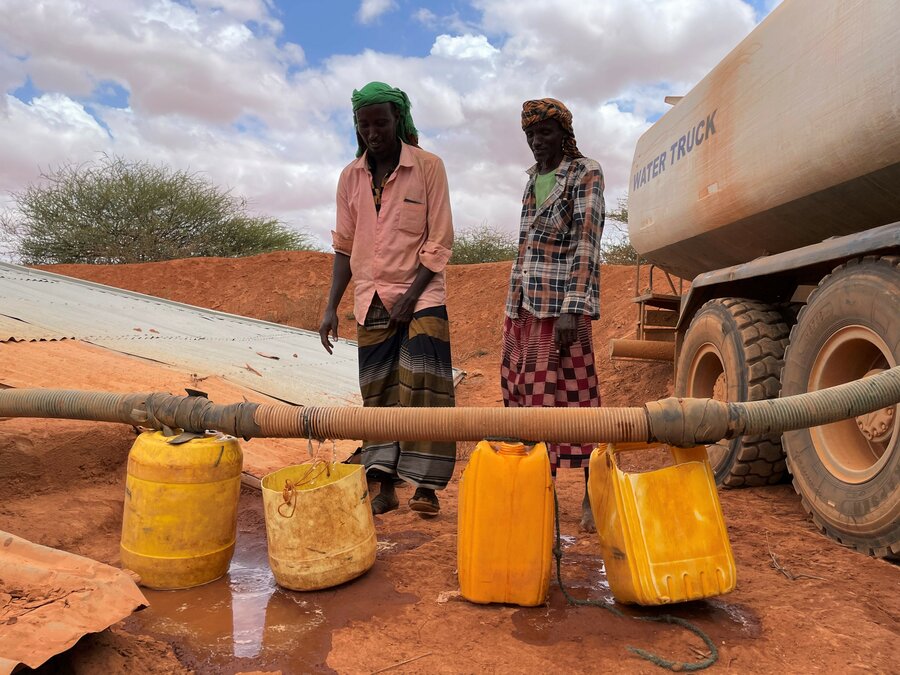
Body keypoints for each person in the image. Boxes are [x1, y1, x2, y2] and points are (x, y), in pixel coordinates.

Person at [319, 81, 456, 517]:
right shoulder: (350, 176)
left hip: (422, 291)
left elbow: (440, 239)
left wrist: (411, 296)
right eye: (365, 124)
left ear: (398, 119)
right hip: (370, 296)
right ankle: (383, 482)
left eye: (381, 122)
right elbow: (344, 246)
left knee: (426, 388)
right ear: (357, 126)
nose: (373, 131)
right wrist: (329, 308)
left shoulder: (429, 167)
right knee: (377, 391)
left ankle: (426, 487)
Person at [501, 98, 605, 532]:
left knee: (578, 400)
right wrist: (512, 305)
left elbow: (587, 242)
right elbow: (526, 246)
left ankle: (591, 492)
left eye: (544, 133)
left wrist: (573, 308)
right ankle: (536, 490)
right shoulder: (531, 180)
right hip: (523, 306)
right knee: (523, 396)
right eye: (530, 135)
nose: (536, 142)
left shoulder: (586, 173)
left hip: (562, 310)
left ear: (564, 133)